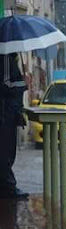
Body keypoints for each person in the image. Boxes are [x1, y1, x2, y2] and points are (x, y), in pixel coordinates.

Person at [0, 53, 28, 199]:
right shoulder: (5, 57)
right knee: (6, 150)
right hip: (5, 113)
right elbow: (6, 84)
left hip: (10, 111)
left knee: (7, 150)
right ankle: (9, 188)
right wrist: (24, 83)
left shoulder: (10, 57)